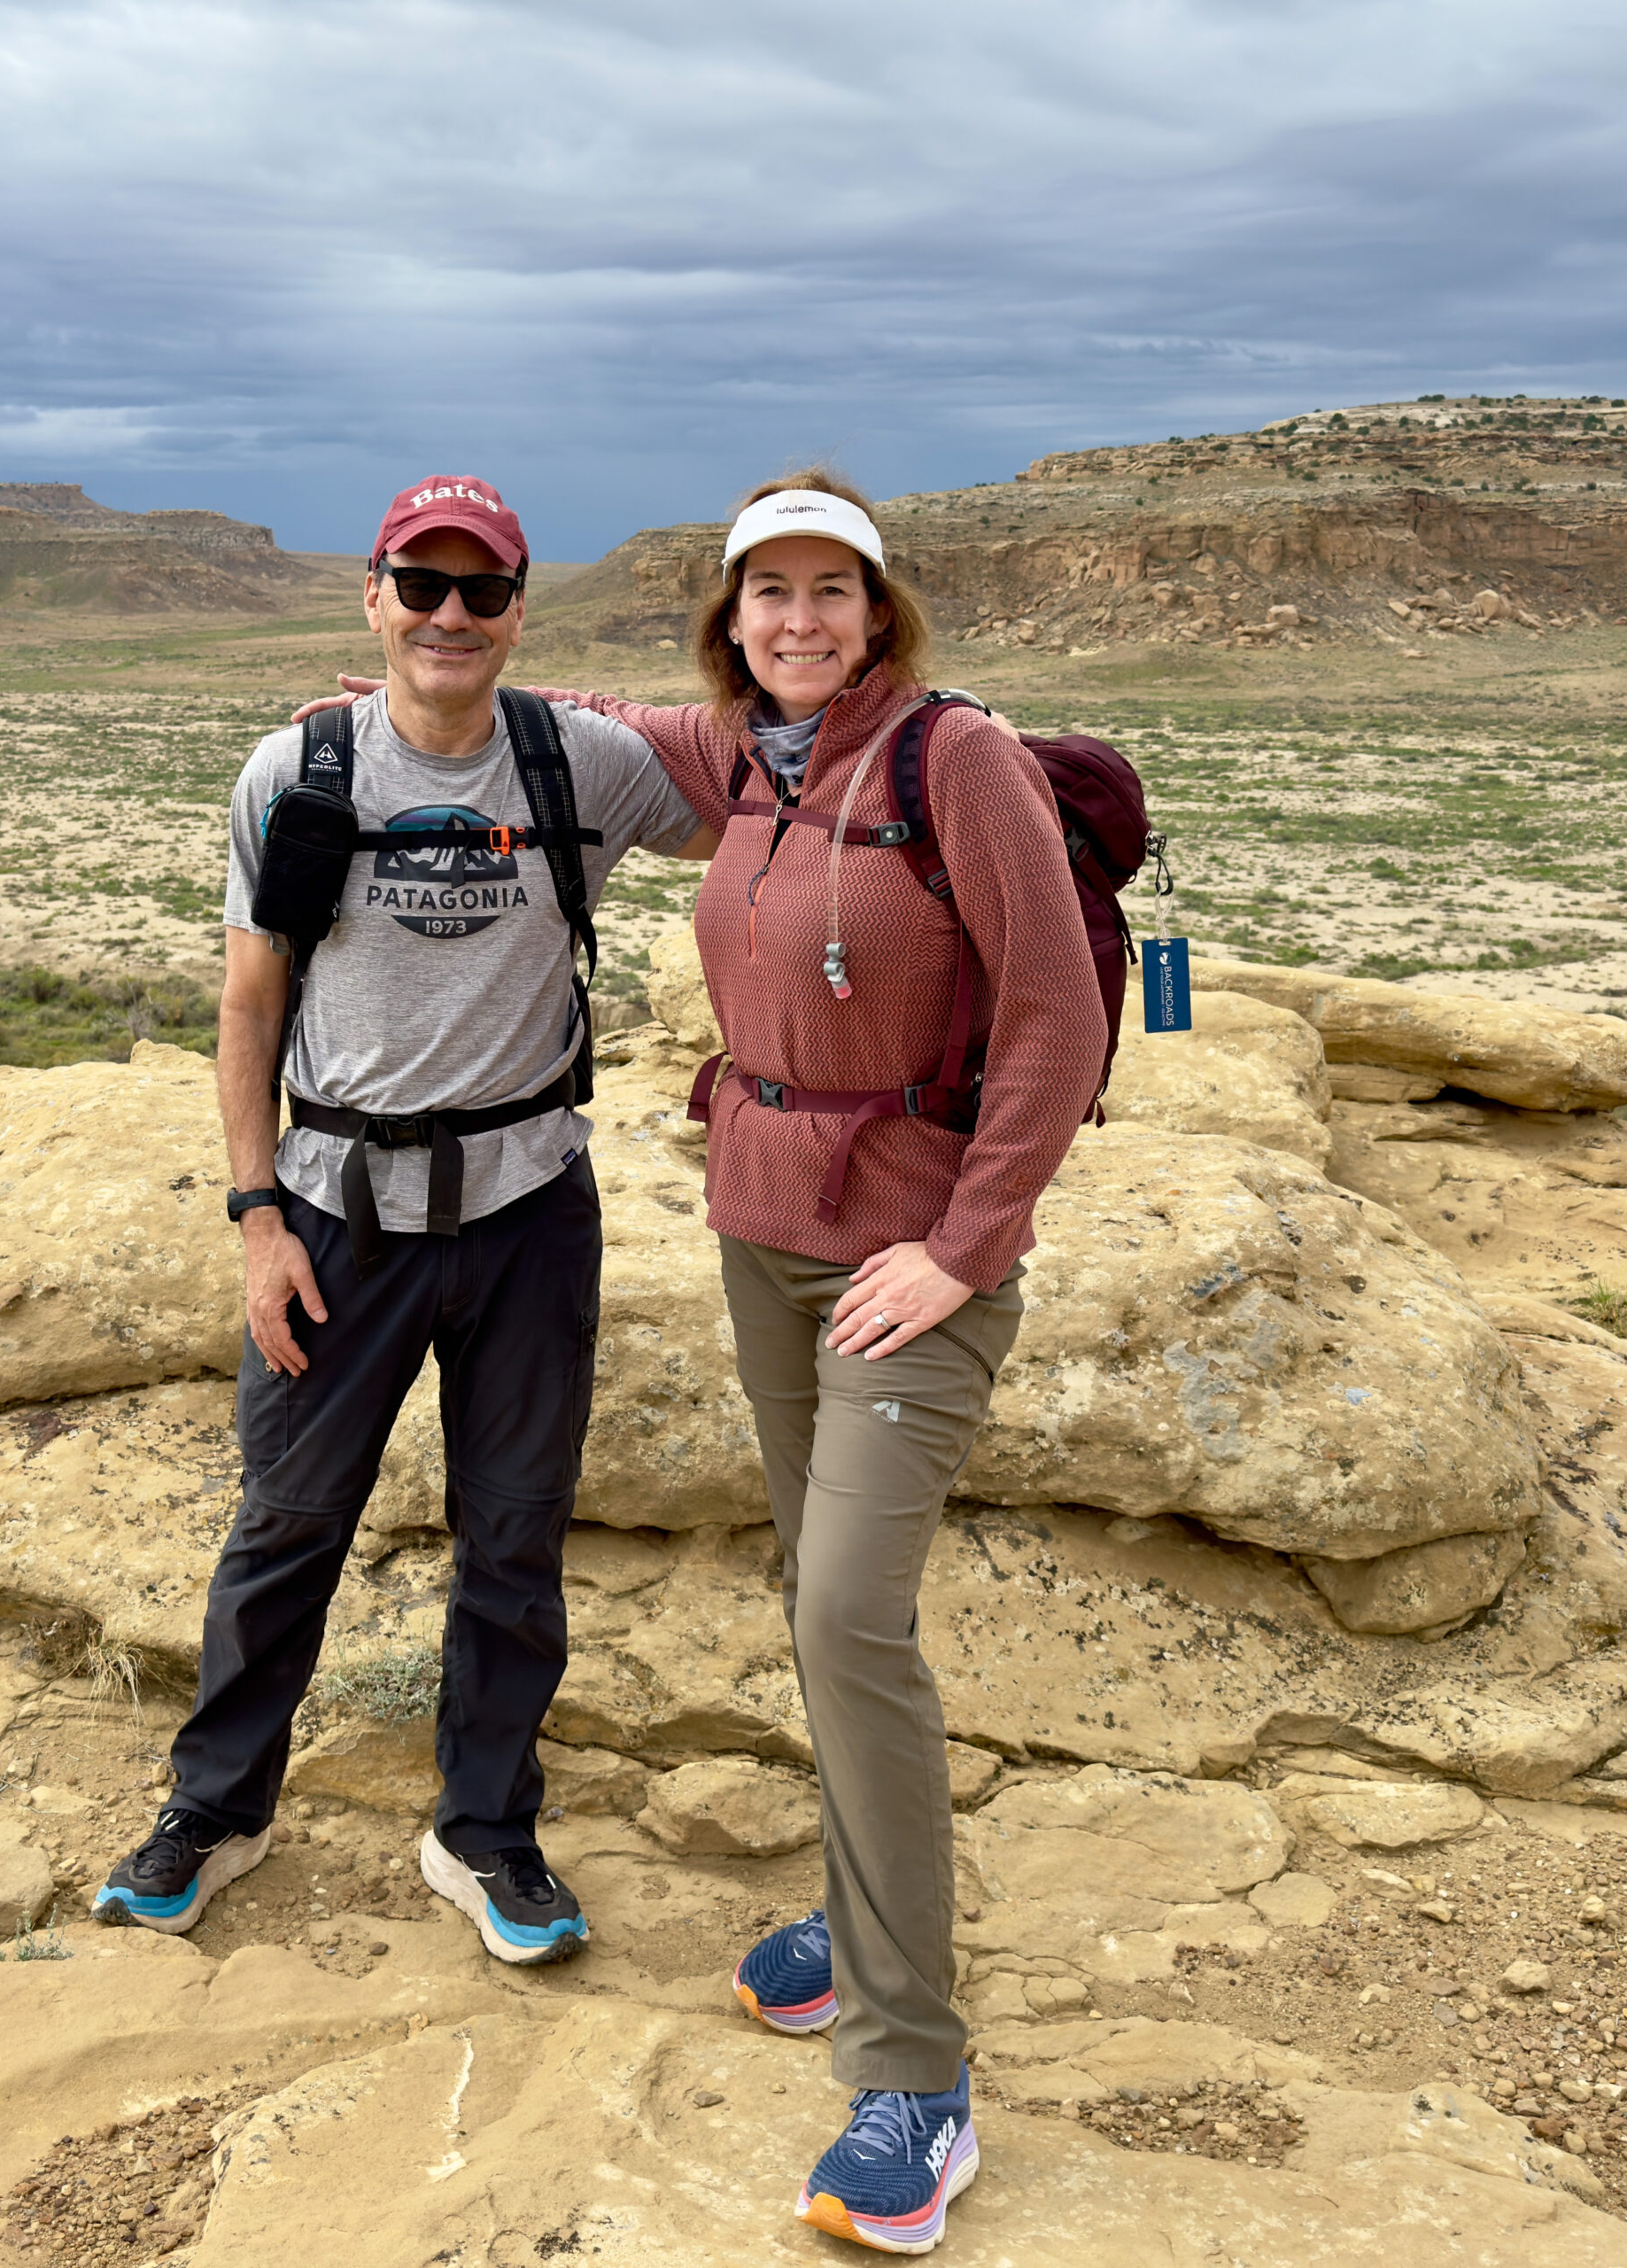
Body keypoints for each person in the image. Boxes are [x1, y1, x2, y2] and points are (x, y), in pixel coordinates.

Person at [306, 470, 1105, 2253]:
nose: (798, 620)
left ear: (878, 609)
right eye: (768, 593)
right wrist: (396, 695)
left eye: (830, 590)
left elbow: (1059, 1016)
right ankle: (862, 1913)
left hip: (908, 1265)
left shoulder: (959, 758)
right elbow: (566, 715)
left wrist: (964, 1244)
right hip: (765, 1236)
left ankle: (914, 2072)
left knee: (846, 1616)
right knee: (814, 1598)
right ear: (730, 619)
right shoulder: (742, 751)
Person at [91, 474, 713, 1969]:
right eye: (420, 587)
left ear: (519, 610)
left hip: (527, 1209)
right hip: (337, 1214)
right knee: (289, 1522)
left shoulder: (579, 762)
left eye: (481, 591)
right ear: (371, 597)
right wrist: (258, 1220)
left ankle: (485, 1829)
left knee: (516, 1534)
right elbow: (250, 1009)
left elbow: (748, 807)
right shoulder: (297, 771)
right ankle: (215, 1809)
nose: (449, 615)